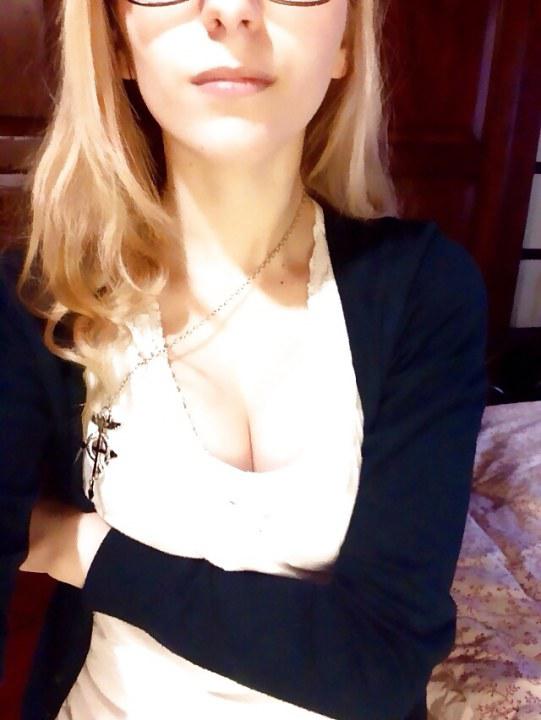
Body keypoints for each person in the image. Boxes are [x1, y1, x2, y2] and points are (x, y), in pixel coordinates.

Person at [0, 0, 489, 718]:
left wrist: (79, 547)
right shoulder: (43, 300)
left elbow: (383, 663)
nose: (231, 11)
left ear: (346, 43)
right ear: (118, 44)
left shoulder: (424, 289)